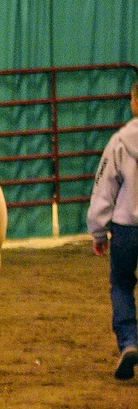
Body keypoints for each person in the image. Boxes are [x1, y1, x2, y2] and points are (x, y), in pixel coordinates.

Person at [87, 80, 138, 381]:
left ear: (134, 103)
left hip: (125, 229)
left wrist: (97, 231)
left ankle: (130, 342)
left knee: (121, 285)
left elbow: (104, 187)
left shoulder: (120, 142)